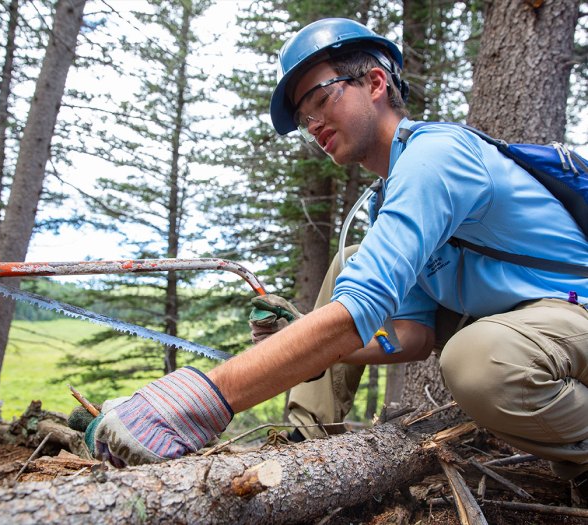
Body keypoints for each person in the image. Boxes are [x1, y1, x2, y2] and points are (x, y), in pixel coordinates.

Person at [78, 18, 588, 488]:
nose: (313, 123)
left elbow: (365, 310)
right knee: (355, 262)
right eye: (303, 117)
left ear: (374, 83)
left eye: (320, 98)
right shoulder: (389, 196)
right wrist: (305, 334)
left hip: (572, 314)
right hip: (531, 331)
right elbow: (410, 336)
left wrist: (199, 400)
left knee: (478, 362)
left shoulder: (437, 156)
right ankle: (305, 442)